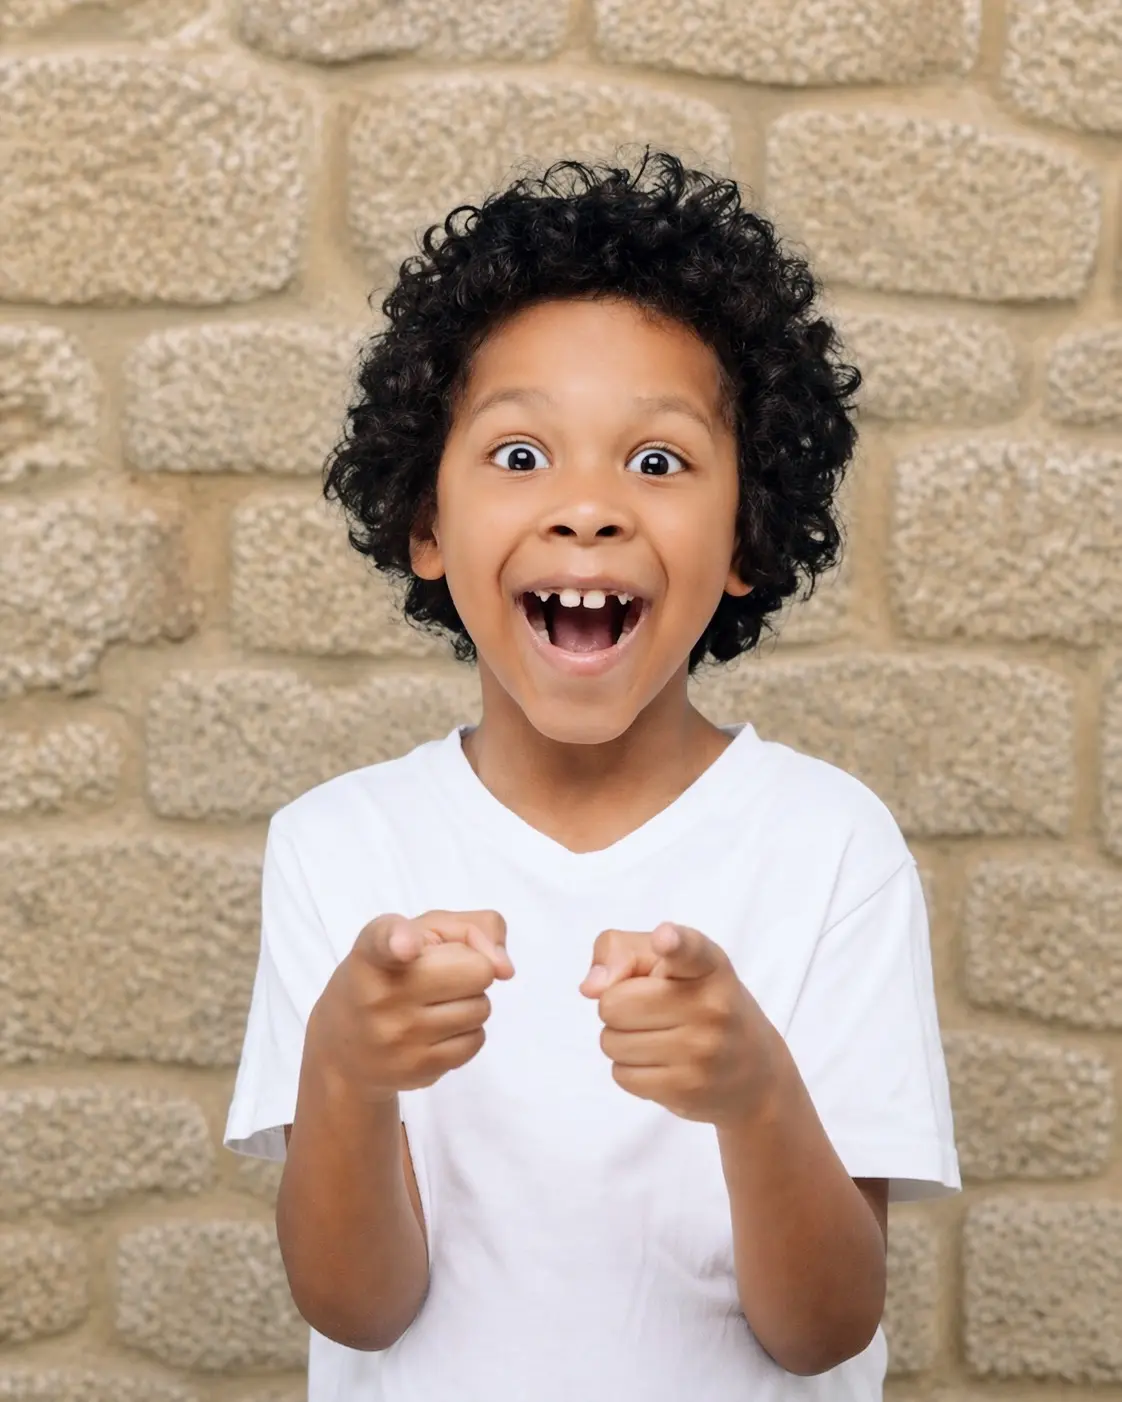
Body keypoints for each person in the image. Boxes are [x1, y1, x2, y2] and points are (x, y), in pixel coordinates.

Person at [224, 150, 960, 1402]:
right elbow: (358, 1304)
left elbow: (826, 1327)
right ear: (427, 523)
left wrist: (754, 1092)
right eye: (519, 456)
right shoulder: (339, 845)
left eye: (658, 463)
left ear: (746, 538)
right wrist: (343, 1071)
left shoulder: (830, 843)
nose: (587, 509)